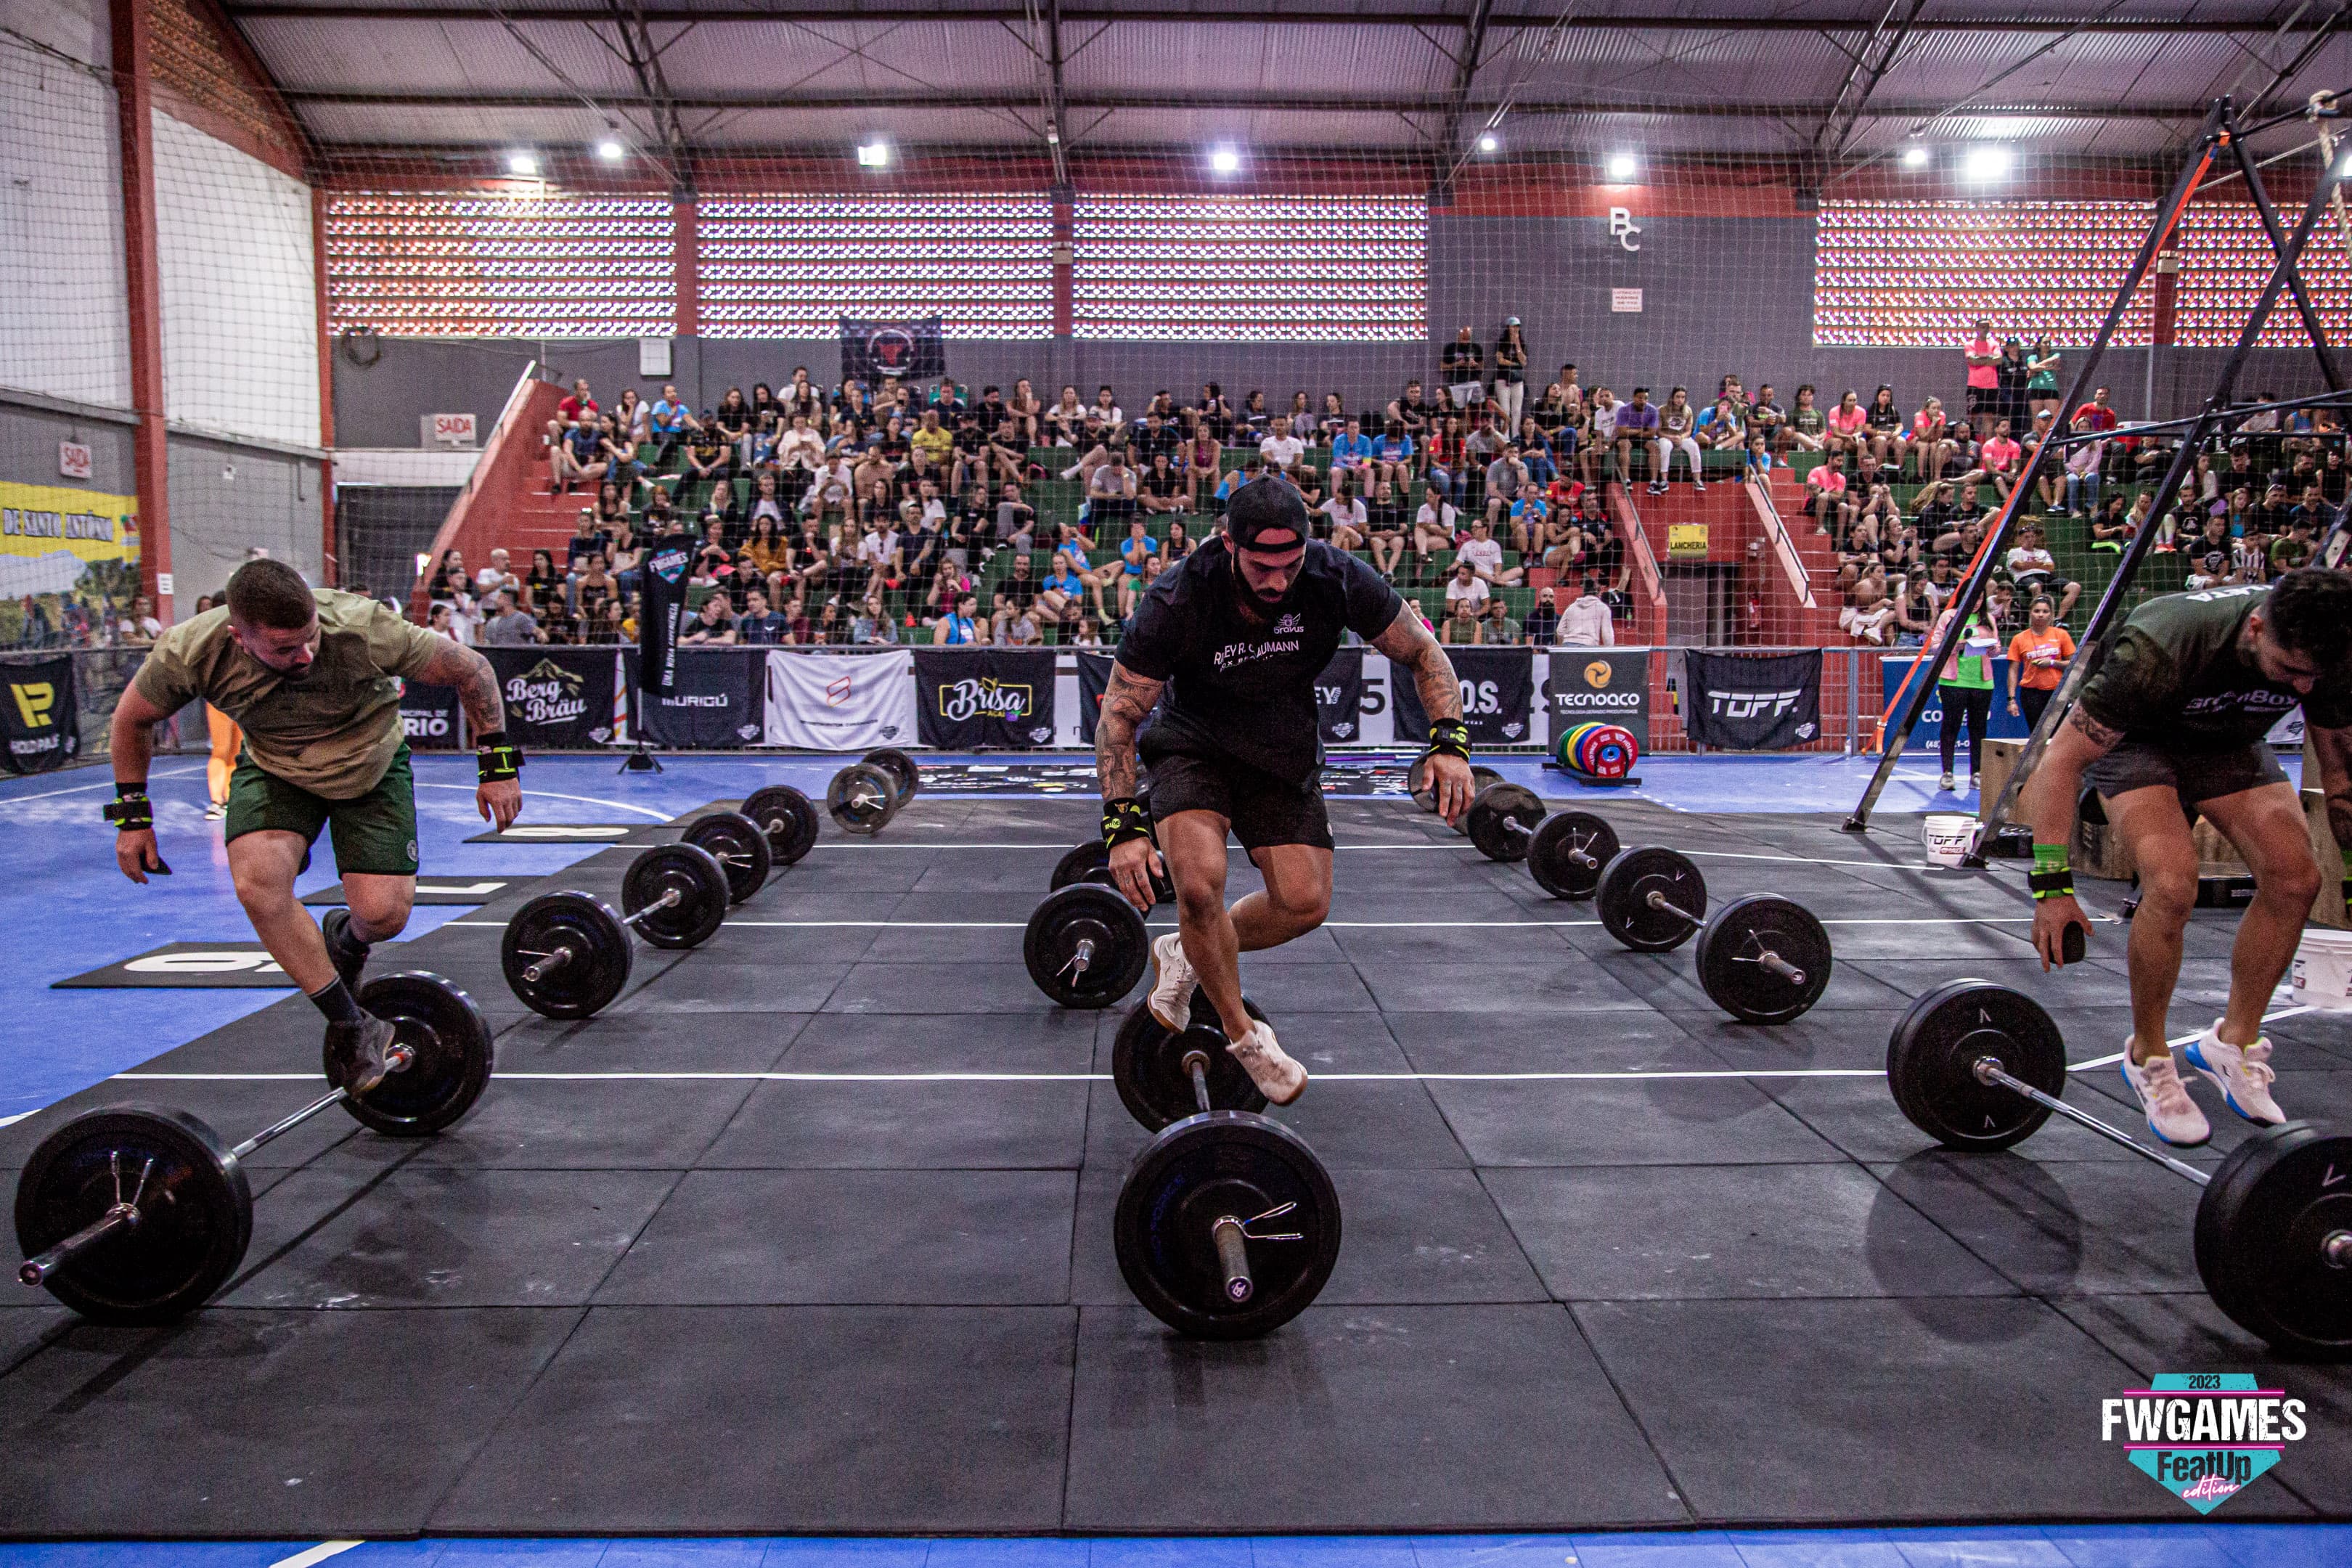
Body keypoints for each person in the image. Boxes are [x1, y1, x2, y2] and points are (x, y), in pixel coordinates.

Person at [1096, 479, 1471, 1104]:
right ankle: (1245, 1038)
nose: (1276, 581)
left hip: (1281, 752)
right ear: (1229, 545)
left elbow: (1423, 651)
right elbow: (1119, 714)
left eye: (1289, 566)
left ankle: (1188, 950)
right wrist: (1122, 827)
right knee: (1198, 888)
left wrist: (1450, 743)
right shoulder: (1177, 598)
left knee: (1304, 904)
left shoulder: (1335, 577)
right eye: (1261, 567)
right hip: (1193, 746)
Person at [105, 560, 523, 1086]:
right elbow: (131, 719)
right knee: (257, 885)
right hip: (277, 768)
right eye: (285, 649)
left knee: (383, 916)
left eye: (310, 639)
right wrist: (133, 818)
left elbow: (472, 669)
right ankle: (353, 1025)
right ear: (239, 638)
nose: (304, 655)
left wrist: (497, 767)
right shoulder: (189, 651)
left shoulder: (360, 626)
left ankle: (347, 939)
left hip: (370, 764)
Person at [2020, 571, 2352, 1145]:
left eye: (2312, 676)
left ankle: (2233, 1044)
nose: (2302, 687)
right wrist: (2052, 889)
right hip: (2138, 743)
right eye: (2289, 669)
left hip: (2227, 743)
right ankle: (2149, 1056)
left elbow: (2343, 779)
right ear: (2255, 629)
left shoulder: (2330, 652)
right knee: (2173, 884)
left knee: (2298, 879)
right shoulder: (2162, 647)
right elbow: (2059, 763)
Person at [1928, 600, 2000, 793]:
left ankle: (1977, 773)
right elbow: (1935, 647)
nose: (1977, 602)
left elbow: (1996, 649)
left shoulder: (1988, 618)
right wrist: (1957, 645)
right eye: (1974, 597)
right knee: (1950, 726)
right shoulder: (1949, 616)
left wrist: (1993, 649)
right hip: (1953, 681)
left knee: (1978, 728)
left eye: (1981, 598)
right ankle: (1947, 773)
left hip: (1982, 682)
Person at [2005, 595, 2075, 730]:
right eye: (2037, 611)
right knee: (2037, 733)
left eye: (2045, 611)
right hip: (2031, 693)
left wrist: (2053, 663)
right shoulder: (2019, 638)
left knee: (2056, 734)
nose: (2041, 615)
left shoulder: (2061, 635)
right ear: (2030, 613)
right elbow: (2013, 670)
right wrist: (2011, 700)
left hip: (2057, 692)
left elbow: (2073, 664)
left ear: (2051, 614)